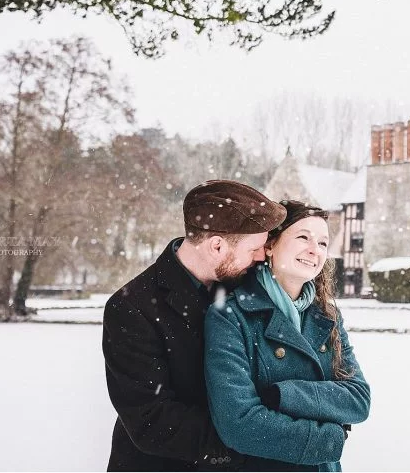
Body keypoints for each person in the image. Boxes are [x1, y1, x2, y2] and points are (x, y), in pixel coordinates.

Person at [102, 180, 287, 471]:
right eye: (254, 248)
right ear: (216, 246)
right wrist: (258, 441)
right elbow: (152, 421)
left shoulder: (243, 287)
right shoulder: (131, 307)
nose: (262, 256)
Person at [204, 200, 371, 472]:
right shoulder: (231, 315)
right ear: (270, 245)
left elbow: (358, 398)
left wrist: (284, 395)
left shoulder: (327, 315)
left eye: (323, 243)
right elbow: (238, 423)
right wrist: (326, 438)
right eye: (303, 237)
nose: (313, 250)